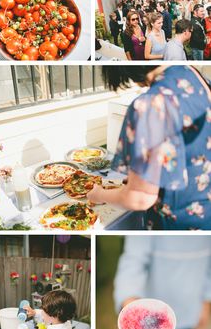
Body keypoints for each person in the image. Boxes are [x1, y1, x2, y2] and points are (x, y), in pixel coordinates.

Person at [87, 65, 211, 230]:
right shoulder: (192, 74)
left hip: (176, 225)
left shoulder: (151, 103)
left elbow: (139, 198)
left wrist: (98, 194)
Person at [114, 235, 211, 329]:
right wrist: (131, 307)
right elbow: (133, 261)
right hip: (151, 311)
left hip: (190, 307)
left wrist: (206, 301)